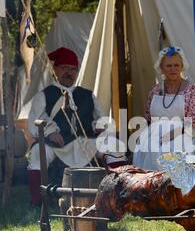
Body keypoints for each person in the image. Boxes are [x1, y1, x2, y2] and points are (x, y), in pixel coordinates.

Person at [27, 46, 127, 206]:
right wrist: (50, 132)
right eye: (65, 68)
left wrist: (101, 127)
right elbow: (36, 120)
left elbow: (100, 118)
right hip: (58, 145)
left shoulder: (87, 95)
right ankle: (39, 201)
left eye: (73, 69)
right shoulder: (44, 95)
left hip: (85, 141)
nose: (69, 73)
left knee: (114, 146)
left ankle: (119, 195)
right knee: (38, 152)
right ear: (55, 69)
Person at [133, 45, 195, 170]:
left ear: (182, 66)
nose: (173, 69)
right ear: (161, 68)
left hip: (182, 137)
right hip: (154, 138)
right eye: (168, 66)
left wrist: (171, 135)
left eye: (176, 65)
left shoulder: (193, 91)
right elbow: (148, 118)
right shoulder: (155, 90)